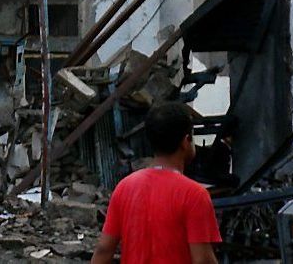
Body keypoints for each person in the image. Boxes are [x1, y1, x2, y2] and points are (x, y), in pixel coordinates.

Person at [91, 102, 221, 264]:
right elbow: (202, 260)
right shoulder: (194, 194)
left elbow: (103, 250)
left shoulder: (125, 187)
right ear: (185, 141)